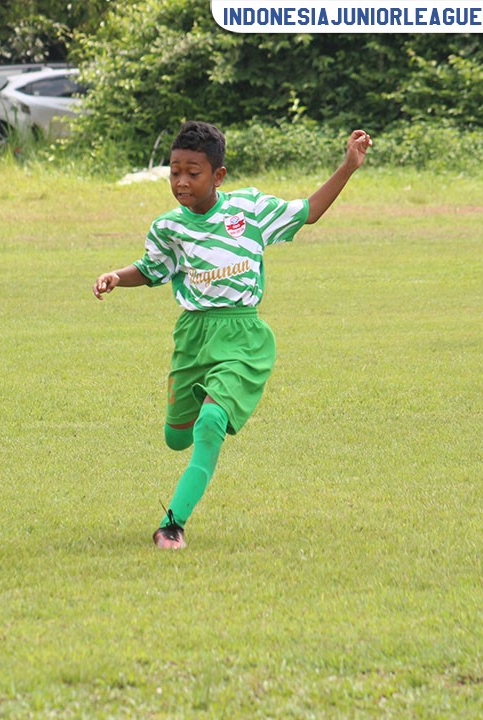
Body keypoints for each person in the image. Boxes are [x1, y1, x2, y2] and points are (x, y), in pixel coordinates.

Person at [93, 121, 371, 550]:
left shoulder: (250, 209)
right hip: (193, 336)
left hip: (243, 335)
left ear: (218, 175)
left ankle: (173, 524)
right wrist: (116, 275)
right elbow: (151, 270)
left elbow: (308, 211)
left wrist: (347, 167)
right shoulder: (168, 227)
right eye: (175, 172)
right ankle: (187, 435)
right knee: (176, 436)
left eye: (193, 172)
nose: (182, 181)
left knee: (210, 423)